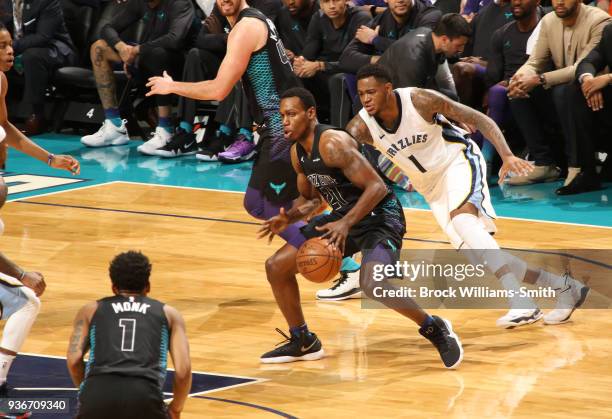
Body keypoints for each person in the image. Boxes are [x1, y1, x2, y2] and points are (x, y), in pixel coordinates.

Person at [146, 0, 361, 299]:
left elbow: (219, 89)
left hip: (282, 126)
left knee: (263, 204)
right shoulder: (250, 23)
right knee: (279, 203)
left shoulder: (246, 27)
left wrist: (173, 87)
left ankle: (347, 265)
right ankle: (346, 261)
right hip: (279, 125)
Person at [349, 63, 589, 327]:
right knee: (478, 255)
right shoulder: (361, 127)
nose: (366, 99)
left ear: (387, 88)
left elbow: (480, 119)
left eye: (371, 92)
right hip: (430, 187)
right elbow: (362, 159)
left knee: (465, 222)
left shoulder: (419, 100)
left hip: (458, 161)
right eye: (361, 94)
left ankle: (522, 302)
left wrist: (507, 155)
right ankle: (564, 288)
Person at [257, 87, 463, 368]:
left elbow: (377, 187)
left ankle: (434, 327)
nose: (285, 121)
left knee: (374, 283)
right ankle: (302, 339)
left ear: (311, 113)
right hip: (344, 218)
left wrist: (345, 223)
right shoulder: (298, 153)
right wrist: (289, 218)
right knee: (276, 267)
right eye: (282, 116)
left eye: (291, 114)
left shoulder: (333, 143)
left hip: (381, 217)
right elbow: (312, 201)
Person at [0, 23, 79, 416]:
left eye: (10, 43)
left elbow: (6, 130)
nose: (10, 51)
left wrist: (49, 159)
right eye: (1, 46)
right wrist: (20, 271)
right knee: (26, 300)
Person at [67, 251, 192, 419]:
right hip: (144, 395)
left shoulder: (90, 310)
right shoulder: (169, 314)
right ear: (148, 286)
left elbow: (74, 361)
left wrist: (87, 391)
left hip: (98, 392)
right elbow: (183, 371)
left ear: (113, 287)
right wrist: (175, 408)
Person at [507, 0, 611, 187]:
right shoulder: (549, 20)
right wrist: (518, 78)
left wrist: (540, 79)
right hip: (563, 86)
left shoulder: (600, 21)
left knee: (564, 92)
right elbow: (535, 61)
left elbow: (581, 66)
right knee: (518, 91)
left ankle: (576, 167)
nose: (560, 2)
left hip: (593, 91)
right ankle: (544, 163)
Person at [80, 0, 199, 153]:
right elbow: (106, 28)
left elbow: (174, 39)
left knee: (158, 54)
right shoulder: (140, 3)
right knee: (98, 48)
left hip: (183, 66)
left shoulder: (180, 3)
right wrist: (122, 48)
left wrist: (137, 50)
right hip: (148, 54)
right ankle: (114, 125)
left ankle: (166, 129)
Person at [0, 0, 76, 135]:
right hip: (18, 49)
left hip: (53, 49)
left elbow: (43, 37)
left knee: (31, 57)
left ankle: (36, 115)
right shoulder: (3, 3)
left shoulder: (47, 2)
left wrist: (9, 47)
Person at [561, 23, 612, 195]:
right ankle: (588, 172)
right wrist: (589, 81)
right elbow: (588, 61)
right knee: (576, 91)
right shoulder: (610, 31)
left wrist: (608, 78)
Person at [378, 13, 471, 101]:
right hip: (389, 97)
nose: (461, 50)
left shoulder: (431, 36)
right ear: (444, 39)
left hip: (418, 86)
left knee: (452, 98)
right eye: (458, 45)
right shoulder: (414, 59)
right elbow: (408, 102)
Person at [340, 0, 442, 74]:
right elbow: (346, 59)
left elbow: (419, 53)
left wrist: (375, 40)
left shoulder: (430, 15)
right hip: (391, 75)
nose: (400, 0)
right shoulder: (382, 19)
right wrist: (382, 61)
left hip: (429, 75)